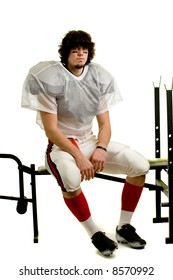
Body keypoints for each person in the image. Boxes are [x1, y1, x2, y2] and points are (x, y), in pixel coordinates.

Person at [21, 30, 150, 256]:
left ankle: (124, 227)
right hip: (62, 146)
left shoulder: (97, 78)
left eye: (84, 50)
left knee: (139, 165)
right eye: (75, 50)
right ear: (66, 54)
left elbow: (105, 125)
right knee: (70, 180)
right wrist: (80, 157)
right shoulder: (50, 79)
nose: (80, 54)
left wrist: (100, 148)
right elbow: (51, 130)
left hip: (89, 140)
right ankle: (95, 234)